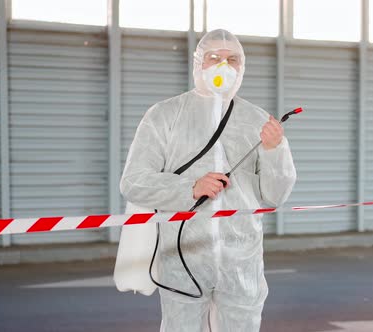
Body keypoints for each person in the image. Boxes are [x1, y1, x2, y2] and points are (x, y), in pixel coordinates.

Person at [118, 29, 297, 332]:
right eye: (213, 58)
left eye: (232, 60)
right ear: (198, 62)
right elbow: (134, 182)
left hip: (242, 259)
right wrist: (189, 189)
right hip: (182, 256)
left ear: (243, 67)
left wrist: (273, 150)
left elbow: (275, 195)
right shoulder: (164, 115)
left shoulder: (259, 121)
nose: (223, 66)